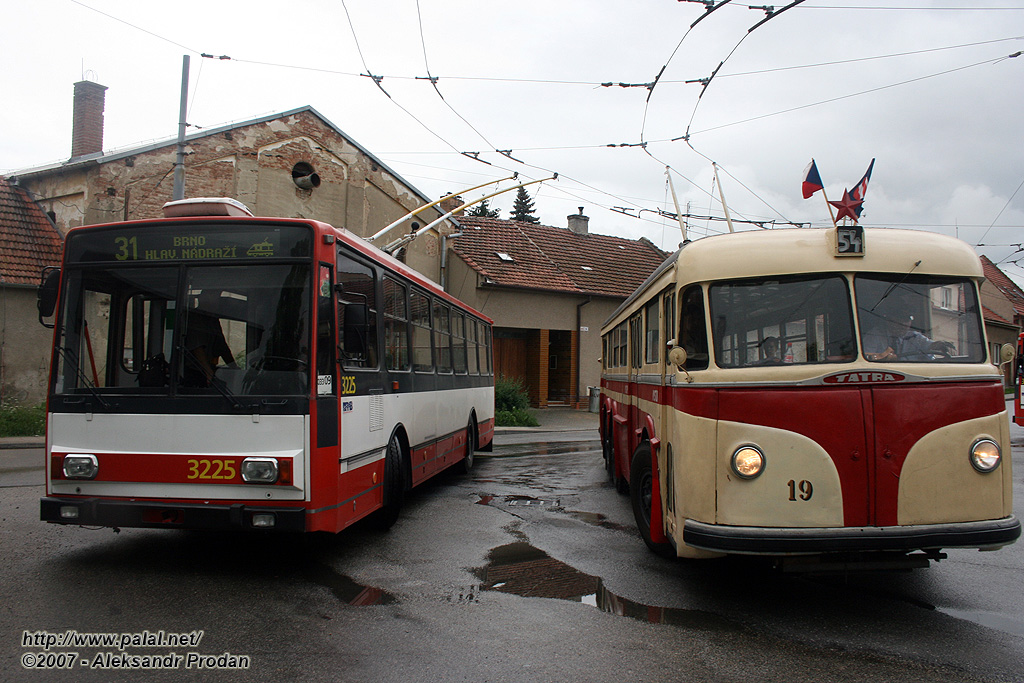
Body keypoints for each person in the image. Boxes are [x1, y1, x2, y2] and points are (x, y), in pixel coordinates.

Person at [183, 291, 236, 386]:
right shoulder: (195, 317)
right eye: (213, 296)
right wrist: (208, 372)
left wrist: (234, 368)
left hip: (209, 369)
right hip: (194, 372)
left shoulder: (213, 319)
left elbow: (222, 347)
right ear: (202, 298)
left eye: (218, 297)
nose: (217, 301)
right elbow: (197, 347)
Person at [864, 314, 952, 362]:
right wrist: (881, 356)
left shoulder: (914, 337)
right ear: (889, 321)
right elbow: (867, 356)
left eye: (906, 322)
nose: (903, 326)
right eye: (899, 321)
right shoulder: (874, 335)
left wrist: (938, 345)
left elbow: (929, 345)